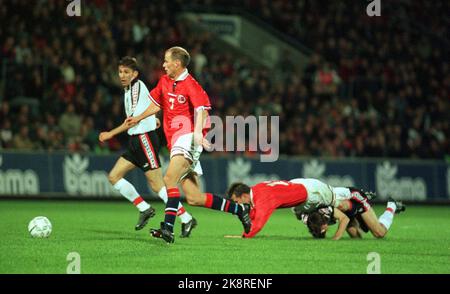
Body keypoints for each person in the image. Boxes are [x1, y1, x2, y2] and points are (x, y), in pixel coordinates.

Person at [126, 47, 251, 243]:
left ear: (177, 63)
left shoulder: (191, 85)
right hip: (175, 140)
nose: (163, 64)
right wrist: (139, 118)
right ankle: (240, 209)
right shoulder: (165, 81)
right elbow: (157, 104)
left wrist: (198, 135)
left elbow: (201, 110)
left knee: (169, 178)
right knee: (194, 198)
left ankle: (168, 228)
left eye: (166, 61)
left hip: (188, 137)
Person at [99, 56, 197, 238]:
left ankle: (186, 218)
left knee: (157, 184)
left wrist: (110, 134)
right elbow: (156, 103)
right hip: (135, 141)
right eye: (120, 72)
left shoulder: (136, 87)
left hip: (145, 140)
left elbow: (131, 121)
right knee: (114, 177)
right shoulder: (129, 89)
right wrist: (155, 119)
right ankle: (144, 208)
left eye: (126, 72)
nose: (122, 75)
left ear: (135, 74)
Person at [292, 186, 406, 240]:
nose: (325, 228)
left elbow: (344, 219)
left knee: (379, 233)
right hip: (346, 208)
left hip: (355, 199)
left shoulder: (327, 209)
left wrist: (335, 238)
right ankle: (364, 202)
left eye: (323, 227)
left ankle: (392, 206)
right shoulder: (305, 217)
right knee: (356, 239)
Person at [226, 180, 311, 238]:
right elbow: (255, 213)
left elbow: (258, 225)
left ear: (244, 196)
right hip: (299, 185)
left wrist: (244, 236)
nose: (237, 205)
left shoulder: (263, 198)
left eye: (237, 202)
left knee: (317, 228)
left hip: (311, 195)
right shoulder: (256, 190)